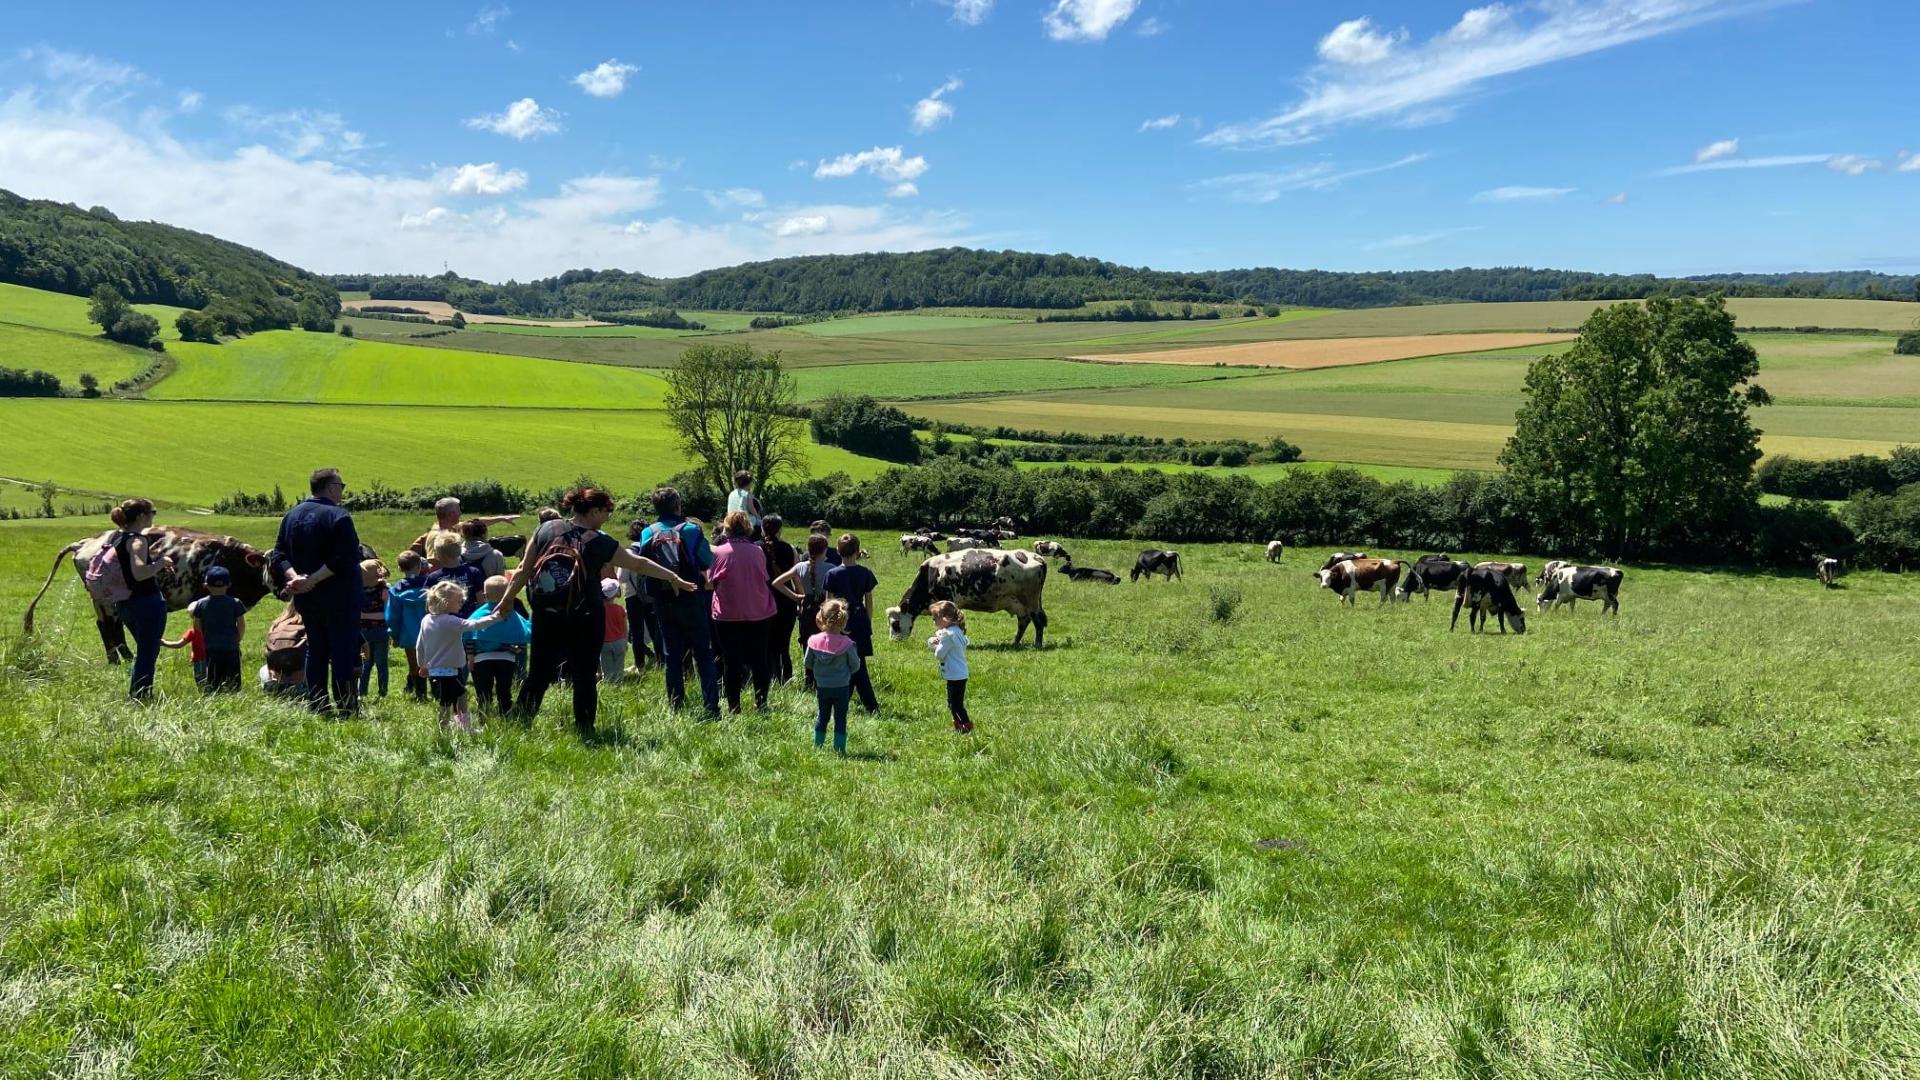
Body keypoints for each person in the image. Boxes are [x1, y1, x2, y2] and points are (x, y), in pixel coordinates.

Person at [495, 487, 694, 736]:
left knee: (539, 672)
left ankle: (520, 720)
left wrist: (506, 600)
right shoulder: (599, 541)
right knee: (585, 674)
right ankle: (585, 726)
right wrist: (673, 577)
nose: (607, 517)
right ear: (594, 510)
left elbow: (524, 569)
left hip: (547, 611)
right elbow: (638, 563)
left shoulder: (546, 528)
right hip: (585, 614)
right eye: (606, 512)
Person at [272, 468, 365, 714]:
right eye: (341, 486)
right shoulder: (338, 516)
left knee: (316, 649)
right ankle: (346, 705)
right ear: (331, 487)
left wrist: (295, 578)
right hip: (340, 596)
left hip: (307, 597)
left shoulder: (291, 515)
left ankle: (317, 702)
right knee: (343, 650)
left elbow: (279, 554)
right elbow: (344, 557)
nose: (342, 491)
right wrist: (312, 579)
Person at [637, 486, 721, 716]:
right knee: (703, 653)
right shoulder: (691, 529)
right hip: (691, 595)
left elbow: (643, 564)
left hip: (662, 599)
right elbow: (707, 561)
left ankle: (676, 705)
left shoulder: (648, 532)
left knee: (671, 655)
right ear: (678, 505)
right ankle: (711, 707)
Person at [415, 580, 513, 732]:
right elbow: (475, 625)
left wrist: (422, 665)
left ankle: (457, 725)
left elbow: (419, 646)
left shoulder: (426, 620)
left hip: (435, 669)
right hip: (447, 670)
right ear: (446, 602)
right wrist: (498, 617)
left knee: (454, 697)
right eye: (459, 601)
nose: (461, 604)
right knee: (451, 699)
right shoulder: (451, 621)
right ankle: (452, 727)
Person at [105, 498, 174, 701]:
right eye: (153, 512)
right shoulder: (138, 540)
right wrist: (161, 562)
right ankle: (141, 696)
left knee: (144, 649)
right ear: (142, 516)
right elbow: (140, 573)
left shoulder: (117, 537)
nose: (153, 516)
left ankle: (137, 689)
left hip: (125, 602)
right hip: (146, 603)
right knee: (147, 652)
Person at [709, 511, 776, 712]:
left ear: (726, 529)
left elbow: (713, 581)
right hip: (758, 611)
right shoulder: (758, 551)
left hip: (728, 613)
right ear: (747, 528)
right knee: (759, 659)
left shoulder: (719, 552)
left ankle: (734, 706)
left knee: (731, 661)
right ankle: (761, 702)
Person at [823, 533, 880, 713]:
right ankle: (869, 704)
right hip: (859, 619)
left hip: (839, 621)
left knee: (844, 662)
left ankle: (847, 701)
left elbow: (828, 603)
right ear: (857, 552)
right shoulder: (865, 573)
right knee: (858, 662)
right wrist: (867, 621)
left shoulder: (832, 573)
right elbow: (869, 602)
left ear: (838, 551)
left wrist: (828, 625)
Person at [772, 532, 835, 690]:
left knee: (808, 643)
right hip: (824, 608)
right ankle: (824, 678)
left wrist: (795, 596)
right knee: (825, 642)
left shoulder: (800, 566)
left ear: (808, 549)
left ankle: (809, 680)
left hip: (806, 608)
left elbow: (777, 583)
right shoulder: (831, 568)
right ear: (825, 549)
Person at [466, 575, 530, 719]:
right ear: (509, 595)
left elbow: (468, 636)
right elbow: (522, 634)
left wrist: (470, 657)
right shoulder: (511, 614)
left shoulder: (478, 615)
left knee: (483, 691)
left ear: (485, 595)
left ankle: (484, 715)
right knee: (504, 690)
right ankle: (505, 714)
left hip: (481, 660)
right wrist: (516, 650)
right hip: (506, 659)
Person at [804, 599, 862, 754]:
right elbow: (856, 665)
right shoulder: (847, 644)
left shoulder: (814, 642)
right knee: (840, 718)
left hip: (822, 686)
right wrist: (846, 672)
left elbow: (807, 663)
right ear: (844, 621)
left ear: (822, 618)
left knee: (822, 716)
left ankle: (818, 746)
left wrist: (819, 670)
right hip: (842, 687)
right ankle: (839, 749)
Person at [187, 565, 247, 694]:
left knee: (213, 677)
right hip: (231, 647)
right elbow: (241, 624)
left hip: (211, 647)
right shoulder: (235, 603)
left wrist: (204, 637)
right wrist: (239, 637)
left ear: (206, 585)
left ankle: (215, 694)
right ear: (229, 584)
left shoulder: (201, 604)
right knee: (233, 678)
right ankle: (233, 695)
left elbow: (196, 625)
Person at [759, 514, 800, 685]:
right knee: (783, 644)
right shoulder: (790, 549)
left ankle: (769, 676)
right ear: (780, 529)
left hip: (763, 599)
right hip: (786, 599)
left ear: (762, 529)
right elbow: (796, 576)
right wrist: (799, 597)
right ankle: (785, 677)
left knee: (766, 643)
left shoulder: (756, 548)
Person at [620, 520, 665, 673]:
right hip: (651, 594)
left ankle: (640, 665)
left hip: (632, 596)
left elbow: (622, 578)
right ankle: (661, 660)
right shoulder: (652, 549)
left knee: (636, 632)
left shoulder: (629, 552)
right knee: (655, 629)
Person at [409, 497, 519, 559]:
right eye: (458, 510)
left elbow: (475, 522)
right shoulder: (437, 537)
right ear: (451, 515)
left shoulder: (450, 527)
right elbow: (433, 564)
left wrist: (501, 518)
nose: (461, 513)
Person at [386, 550, 430, 701]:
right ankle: (438, 691)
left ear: (399, 568)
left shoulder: (395, 590)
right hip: (431, 632)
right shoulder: (430, 585)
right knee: (436, 661)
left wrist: (394, 635)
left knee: (414, 664)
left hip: (408, 634)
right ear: (419, 565)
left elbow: (392, 617)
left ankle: (420, 695)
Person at [927, 600, 973, 734]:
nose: (933, 621)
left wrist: (933, 645)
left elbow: (939, 654)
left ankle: (965, 725)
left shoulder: (948, 635)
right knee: (953, 703)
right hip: (959, 674)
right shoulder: (956, 631)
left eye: (935, 618)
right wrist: (932, 640)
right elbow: (940, 638)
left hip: (954, 675)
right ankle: (958, 725)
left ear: (945, 618)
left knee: (955, 704)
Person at [423, 531, 488, 616]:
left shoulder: (433, 577)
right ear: (459, 551)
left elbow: (429, 605)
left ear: (439, 555)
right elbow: (481, 600)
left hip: (445, 622)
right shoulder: (473, 572)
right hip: (470, 620)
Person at [357, 559, 391, 699]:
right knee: (365, 663)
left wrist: (364, 615)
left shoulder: (384, 591)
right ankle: (362, 691)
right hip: (364, 633)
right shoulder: (358, 589)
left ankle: (382, 691)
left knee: (381, 662)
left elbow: (387, 614)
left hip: (380, 632)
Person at [600, 577, 629, 684]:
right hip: (620, 642)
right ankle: (619, 685)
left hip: (605, 642)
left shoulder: (600, 611)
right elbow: (625, 628)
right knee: (619, 668)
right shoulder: (621, 609)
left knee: (607, 670)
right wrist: (625, 641)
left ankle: (609, 687)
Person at [159, 625, 206, 690]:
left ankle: (205, 695)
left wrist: (164, 643)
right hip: (210, 659)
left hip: (199, 661)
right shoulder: (212, 631)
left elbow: (179, 644)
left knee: (201, 682)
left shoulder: (193, 632)